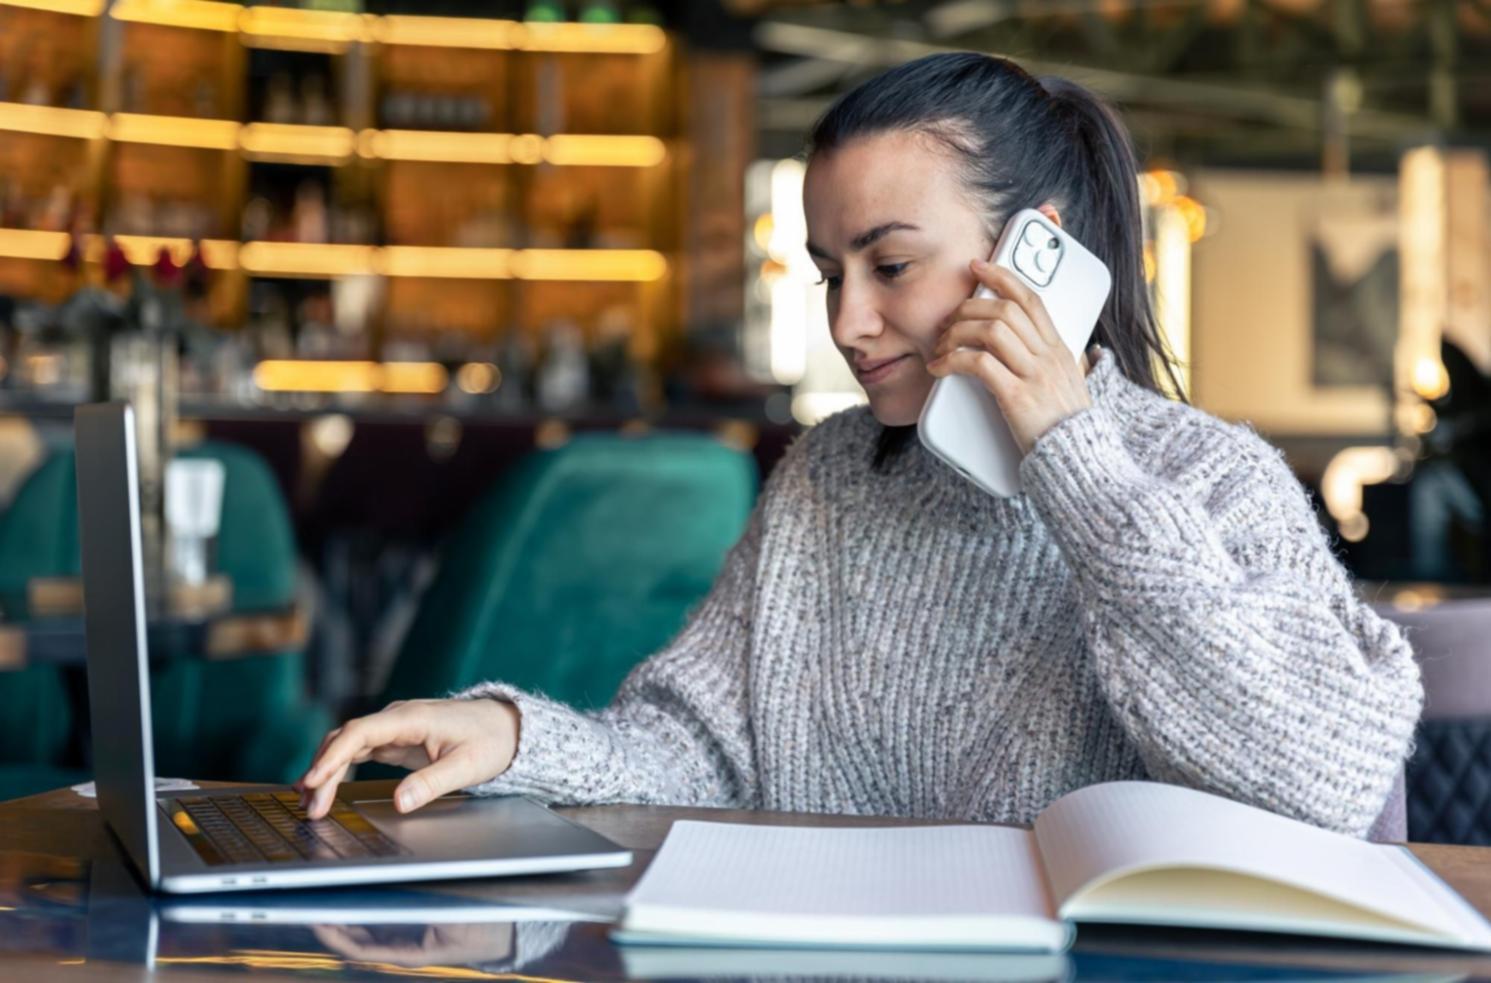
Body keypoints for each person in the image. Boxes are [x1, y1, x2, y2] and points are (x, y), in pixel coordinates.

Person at [297, 53, 1422, 837]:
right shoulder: (829, 475)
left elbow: (1320, 777)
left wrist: (1071, 458)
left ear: (1034, 254)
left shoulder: (1207, 475)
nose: (847, 322)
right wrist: (514, 735)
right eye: (830, 273)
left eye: (890, 265)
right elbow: (701, 752)